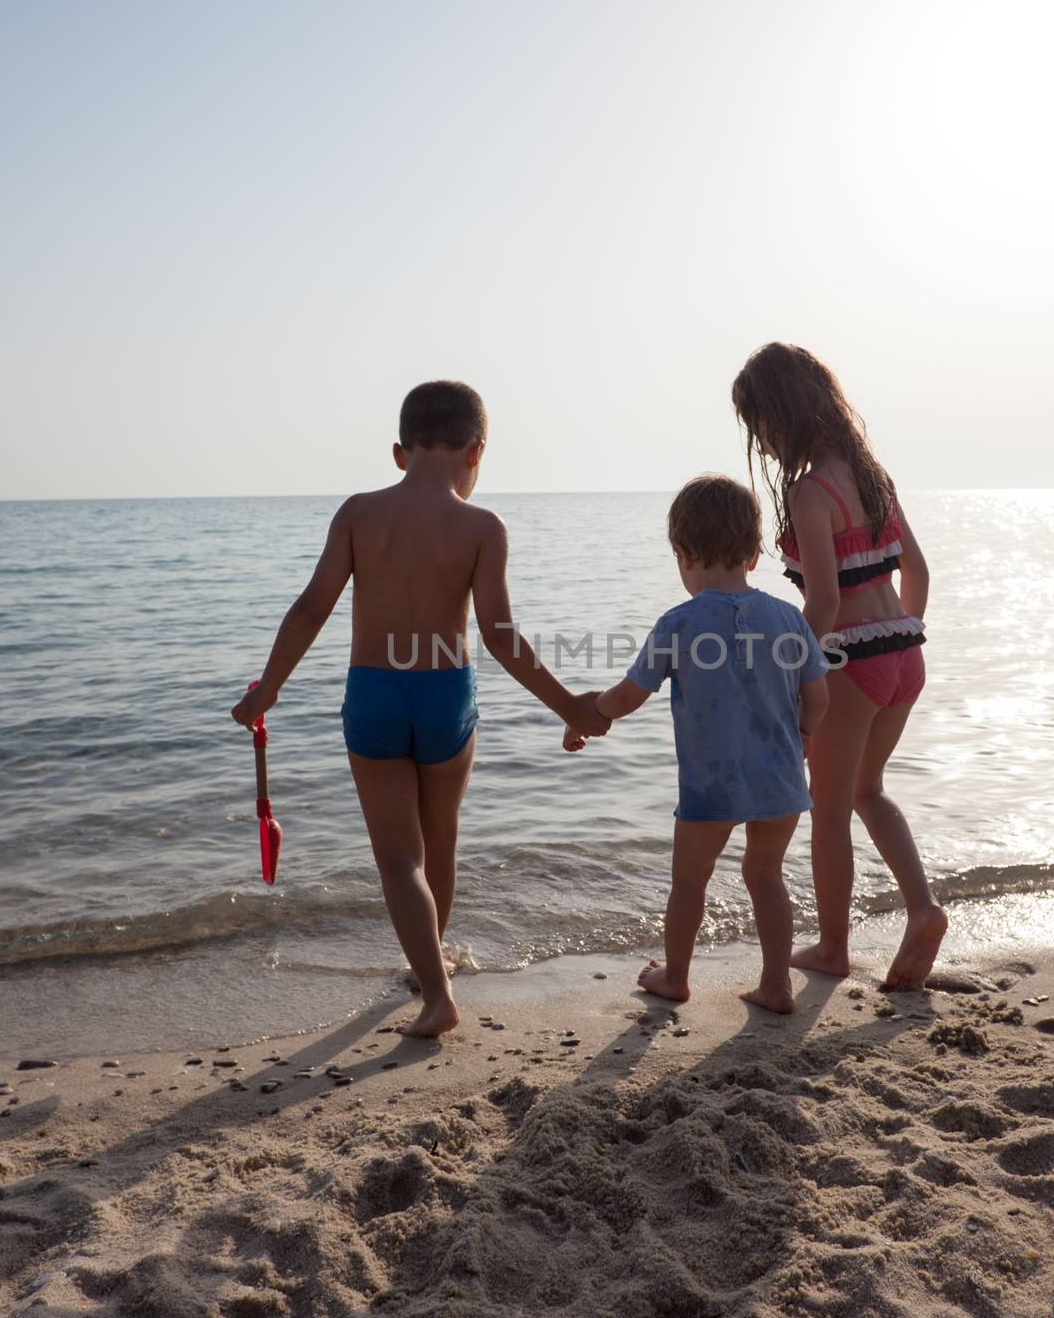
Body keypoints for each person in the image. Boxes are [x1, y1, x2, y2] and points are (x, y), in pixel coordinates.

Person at [231, 380, 609, 1036]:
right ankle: (433, 974)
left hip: (375, 694)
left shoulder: (358, 514)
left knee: (398, 860)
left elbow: (310, 607)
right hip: (445, 694)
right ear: (476, 451)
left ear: (400, 452)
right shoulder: (482, 527)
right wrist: (569, 707)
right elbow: (500, 636)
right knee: (441, 842)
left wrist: (269, 689)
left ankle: (434, 990)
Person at [563, 474, 829, 1013]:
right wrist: (801, 738)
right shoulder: (788, 619)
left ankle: (676, 977)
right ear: (755, 556)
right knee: (766, 875)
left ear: (683, 554)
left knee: (689, 879)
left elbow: (630, 696)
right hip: (781, 778)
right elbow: (818, 696)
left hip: (713, 783)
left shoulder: (679, 623)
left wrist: (588, 712)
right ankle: (776, 984)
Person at [732, 341, 945, 989]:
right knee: (867, 792)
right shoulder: (872, 476)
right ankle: (923, 907)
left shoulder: (809, 492)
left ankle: (831, 947)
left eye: (760, 427)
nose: (762, 444)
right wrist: (899, 636)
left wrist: (795, 673)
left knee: (829, 809)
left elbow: (822, 599)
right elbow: (918, 570)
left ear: (784, 414)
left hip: (850, 661)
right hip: (904, 654)